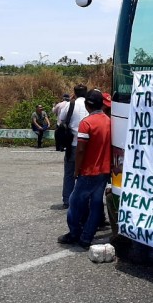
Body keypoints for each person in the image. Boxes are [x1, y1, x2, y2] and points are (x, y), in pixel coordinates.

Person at [58, 89, 111, 248]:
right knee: (96, 205)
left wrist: (77, 170)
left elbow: (81, 150)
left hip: (89, 171)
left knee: (74, 203)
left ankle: (74, 233)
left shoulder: (86, 123)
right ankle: (86, 237)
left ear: (88, 105)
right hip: (104, 171)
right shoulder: (109, 121)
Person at [58, 84, 88, 208]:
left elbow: (61, 120)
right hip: (87, 144)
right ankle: (84, 199)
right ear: (86, 92)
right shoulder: (90, 104)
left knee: (69, 173)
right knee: (86, 173)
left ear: (74, 92)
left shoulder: (70, 104)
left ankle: (67, 200)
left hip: (72, 143)